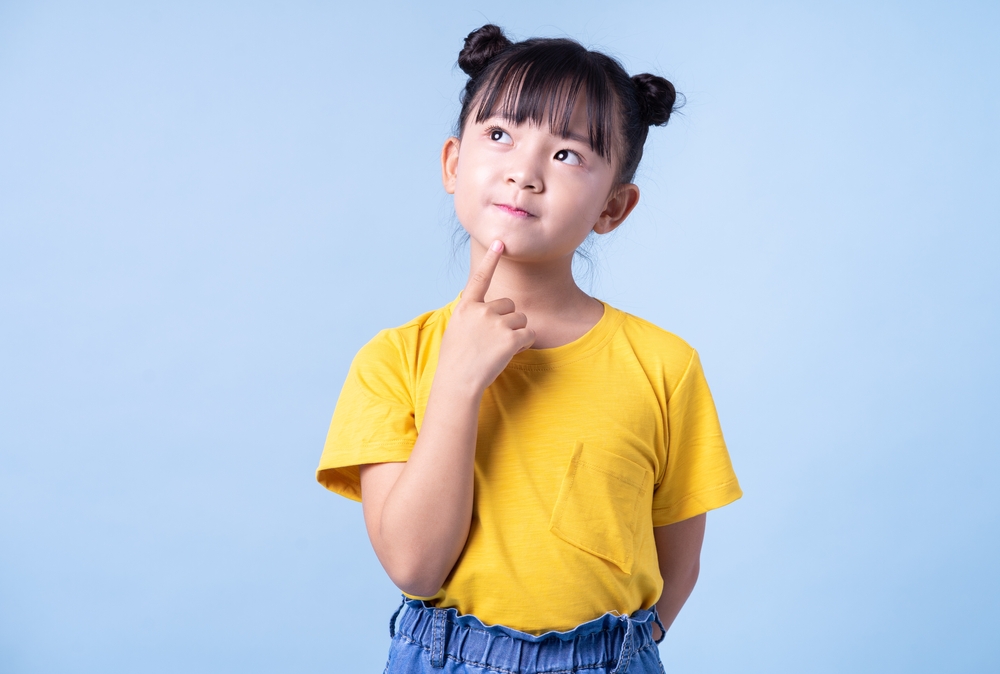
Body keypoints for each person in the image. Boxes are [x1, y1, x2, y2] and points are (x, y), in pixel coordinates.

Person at [316, 24, 742, 674]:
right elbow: (414, 565)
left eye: (568, 154)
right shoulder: (394, 360)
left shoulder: (665, 365)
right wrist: (458, 383)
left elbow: (677, 565)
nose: (525, 170)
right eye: (500, 135)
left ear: (614, 207)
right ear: (454, 164)